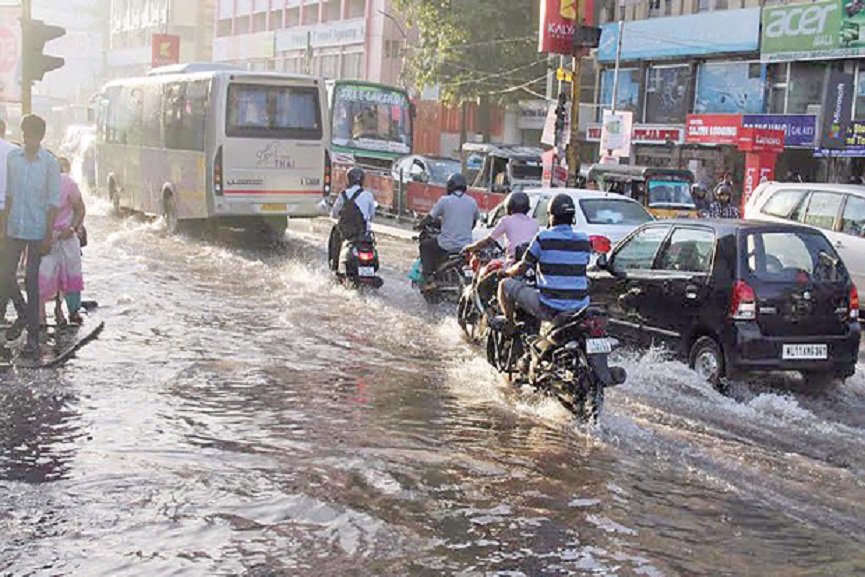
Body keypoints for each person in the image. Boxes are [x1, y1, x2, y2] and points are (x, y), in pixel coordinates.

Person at [0, 114, 61, 354]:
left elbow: (52, 203)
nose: (29, 141)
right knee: (5, 274)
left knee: (31, 281)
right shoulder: (13, 158)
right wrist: (3, 225)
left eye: (33, 136)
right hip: (15, 226)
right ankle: (24, 314)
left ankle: (33, 337)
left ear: (41, 137)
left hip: (37, 229)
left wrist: (48, 235)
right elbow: (9, 195)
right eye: (26, 136)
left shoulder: (50, 163)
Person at [497, 193, 591, 327]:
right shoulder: (584, 240)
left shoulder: (543, 237)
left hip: (550, 306)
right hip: (580, 307)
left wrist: (506, 273)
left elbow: (523, 267)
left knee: (504, 285)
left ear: (551, 216)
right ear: (572, 217)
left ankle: (510, 326)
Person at [39, 157, 86, 326]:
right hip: (44, 237)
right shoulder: (35, 183)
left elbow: (80, 208)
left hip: (66, 238)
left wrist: (72, 228)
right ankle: (41, 315)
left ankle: (64, 310)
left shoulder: (67, 183)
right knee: (43, 276)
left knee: (67, 274)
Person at [417, 173, 480, 290]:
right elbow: (474, 222)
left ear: (449, 186)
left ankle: (428, 279)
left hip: (447, 244)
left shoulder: (444, 201)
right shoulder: (472, 202)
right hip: (466, 246)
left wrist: (419, 225)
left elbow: (430, 217)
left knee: (425, 246)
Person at [0, 119, 25, 328]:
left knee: (5, 271)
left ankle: (20, 310)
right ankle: (20, 311)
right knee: (7, 268)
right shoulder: (15, 153)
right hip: (12, 214)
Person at [328, 167, 376, 271]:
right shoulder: (368, 195)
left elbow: (334, 213)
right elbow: (372, 215)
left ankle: (334, 265)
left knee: (335, 234)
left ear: (348, 179)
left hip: (346, 233)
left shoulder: (343, 194)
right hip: (363, 233)